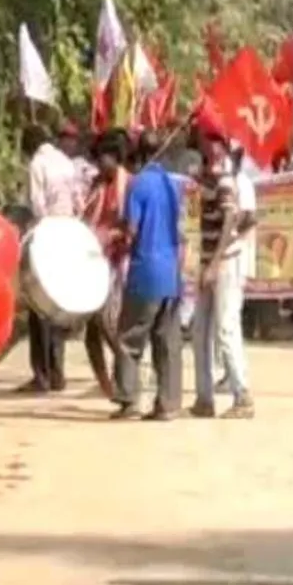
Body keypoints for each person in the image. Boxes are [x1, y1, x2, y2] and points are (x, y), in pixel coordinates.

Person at [112, 131, 184, 421]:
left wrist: (115, 239)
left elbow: (132, 230)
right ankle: (168, 404)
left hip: (146, 272)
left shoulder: (138, 185)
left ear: (138, 156)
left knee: (129, 339)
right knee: (167, 342)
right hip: (171, 274)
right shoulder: (171, 185)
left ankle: (129, 400)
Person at [190, 127, 254, 419]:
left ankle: (242, 395)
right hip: (206, 260)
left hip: (223, 261)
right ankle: (204, 397)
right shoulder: (204, 176)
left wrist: (214, 263)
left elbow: (230, 216)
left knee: (226, 329)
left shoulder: (224, 179)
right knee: (200, 330)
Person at [19, 123, 80, 393]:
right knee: (58, 307)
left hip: (47, 237)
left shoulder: (37, 164)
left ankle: (41, 375)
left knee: (39, 305)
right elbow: (79, 201)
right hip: (69, 235)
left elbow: (37, 204)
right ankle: (58, 373)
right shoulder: (67, 163)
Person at [80, 129, 132, 399]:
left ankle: (128, 377)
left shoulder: (128, 186)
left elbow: (132, 228)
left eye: (103, 157)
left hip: (116, 265)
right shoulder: (97, 185)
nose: (99, 162)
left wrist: (110, 235)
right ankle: (108, 388)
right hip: (92, 263)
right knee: (91, 333)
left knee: (109, 326)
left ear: (115, 157)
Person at [213, 142, 259, 395]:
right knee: (228, 322)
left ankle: (238, 381)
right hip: (228, 255)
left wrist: (229, 234)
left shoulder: (242, 183)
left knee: (228, 323)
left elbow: (250, 217)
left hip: (237, 255)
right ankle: (231, 374)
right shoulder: (227, 181)